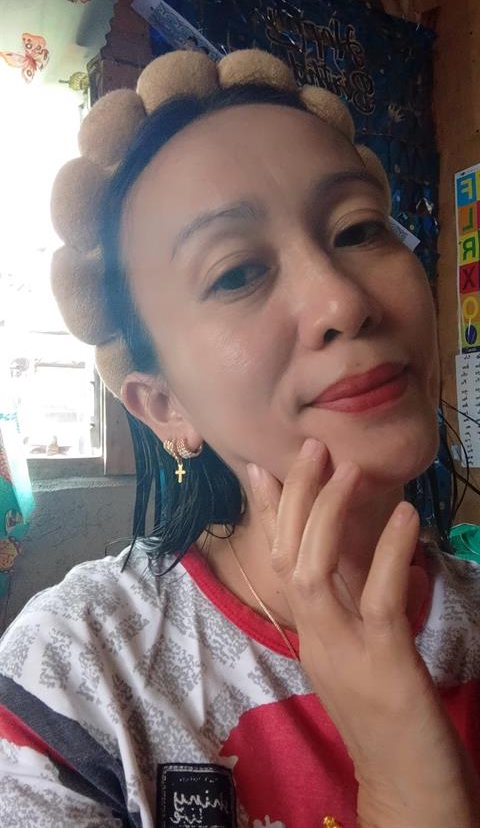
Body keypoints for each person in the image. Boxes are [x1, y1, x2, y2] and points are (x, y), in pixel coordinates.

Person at [0, 48, 479, 828]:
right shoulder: (77, 676)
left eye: (359, 228)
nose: (342, 300)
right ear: (164, 407)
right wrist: (406, 792)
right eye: (234, 273)